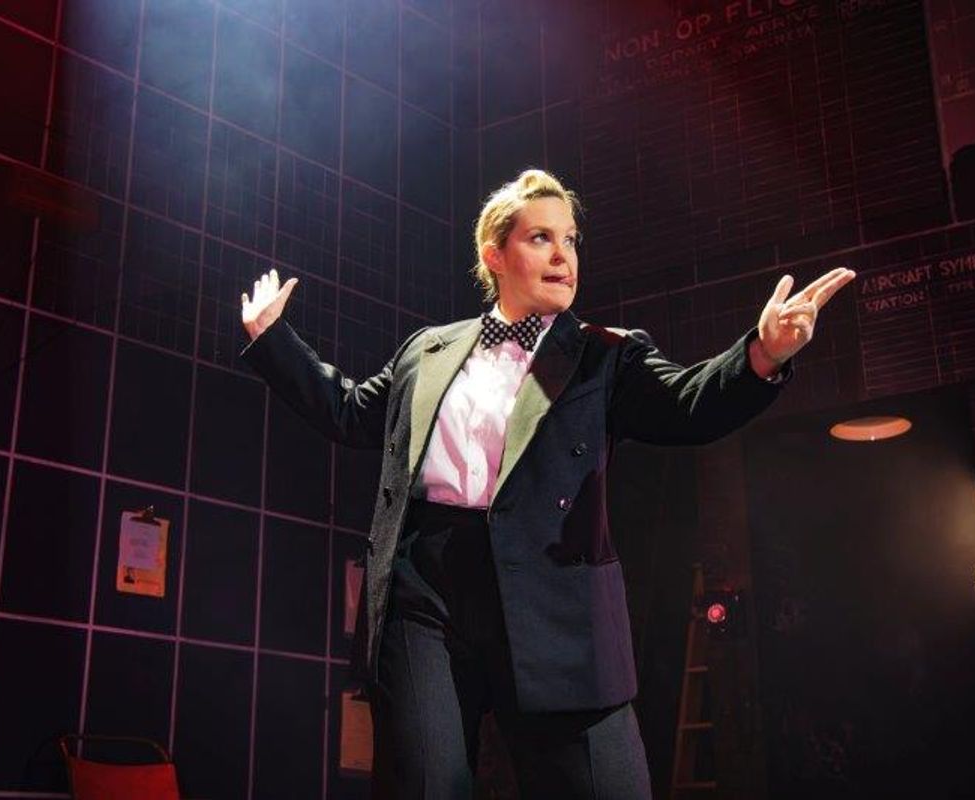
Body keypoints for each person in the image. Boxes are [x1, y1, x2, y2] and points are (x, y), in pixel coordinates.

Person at [239, 169, 855, 799]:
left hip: (553, 600)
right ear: (494, 255)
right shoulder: (427, 351)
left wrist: (763, 354)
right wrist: (272, 340)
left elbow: (688, 402)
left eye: (571, 239)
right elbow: (347, 410)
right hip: (425, 594)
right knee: (424, 783)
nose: (564, 256)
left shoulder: (603, 354)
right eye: (541, 238)